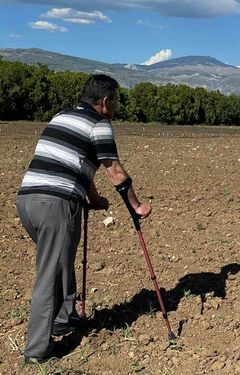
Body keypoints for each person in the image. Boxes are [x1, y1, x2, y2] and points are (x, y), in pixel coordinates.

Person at [17, 74, 151, 364]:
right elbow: (114, 171)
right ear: (105, 102)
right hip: (56, 202)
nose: (116, 107)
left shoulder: (62, 116)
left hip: (28, 200)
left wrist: (93, 198)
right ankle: (37, 351)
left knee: (62, 259)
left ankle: (64, 318)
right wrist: (136, 206)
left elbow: (76, 163)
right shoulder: (100, 124)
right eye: (115, 101)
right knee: (50, 272)